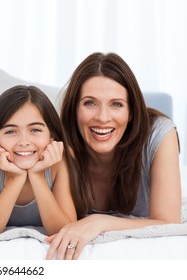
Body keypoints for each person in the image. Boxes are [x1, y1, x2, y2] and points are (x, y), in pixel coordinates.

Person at [46, 52, 182, 260]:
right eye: (90, 103)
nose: (102, 117)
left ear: (131, 113)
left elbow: (167, 222)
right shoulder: (57, 144)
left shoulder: (160, 134)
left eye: (116, 104)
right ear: (74, 109)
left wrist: (100, 222)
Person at [0, 85, 78, 239]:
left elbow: (66, 231)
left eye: (35, 130)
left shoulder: (59, 161)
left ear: (51, 134)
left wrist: (37, 177)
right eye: (11, 131)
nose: (24, 142)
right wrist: (16, 179)